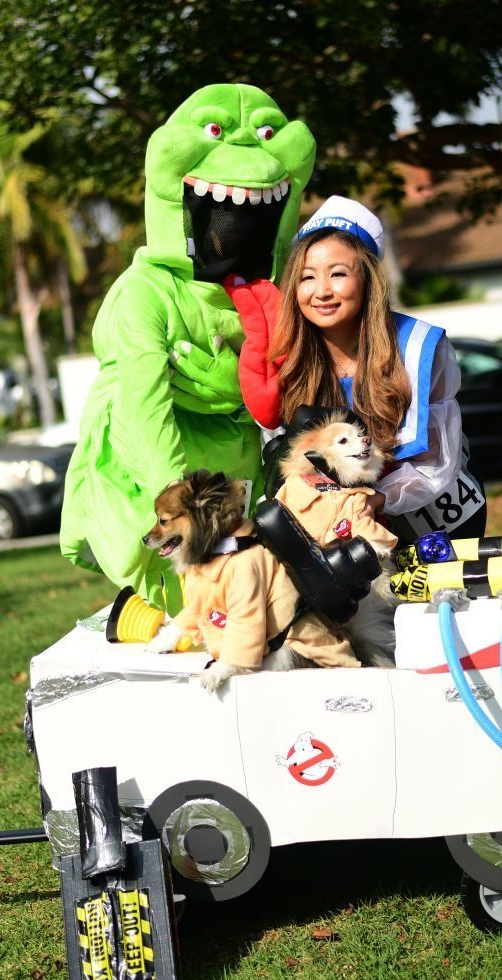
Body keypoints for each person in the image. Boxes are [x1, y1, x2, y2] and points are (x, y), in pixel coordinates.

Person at [59, 83, 316, 613]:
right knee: (177, 603)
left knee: (247, 598)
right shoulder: (145, 290)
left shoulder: (277, 287)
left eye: (267, 136)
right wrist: (174, 499)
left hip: (236, 463)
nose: (251, 154)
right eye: (220, 133)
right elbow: (143, 403)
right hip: (155, 471)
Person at [228, 196, 487, 542]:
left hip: (438, 520)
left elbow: (439, 460)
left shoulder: (417, 347)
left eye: (337, 274)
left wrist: (379, 498)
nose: (321, 291)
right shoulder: (286, 359)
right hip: (345, 530)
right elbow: (283, 457)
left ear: (366, 279)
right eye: (307, 277)